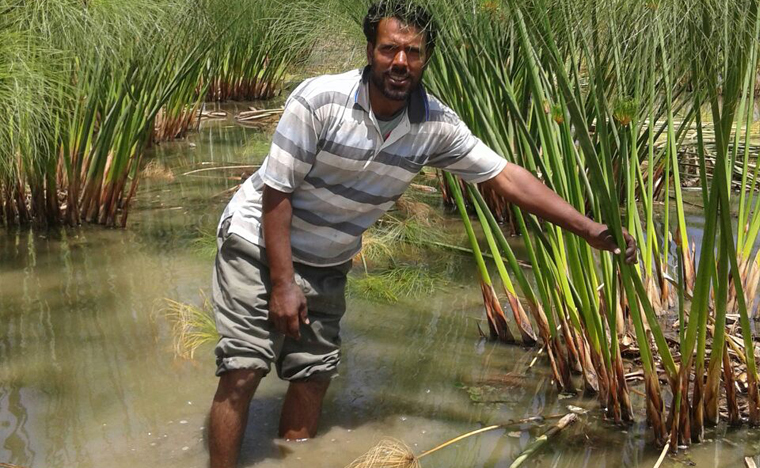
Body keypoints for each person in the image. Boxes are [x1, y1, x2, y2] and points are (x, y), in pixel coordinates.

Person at [207, 2, 637, 467]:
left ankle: (297, 458)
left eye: (413, 52)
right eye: (389, 48)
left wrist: (588, 228)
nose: (400, 62)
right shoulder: (318, 101)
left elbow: (506, 177)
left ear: (426, 57)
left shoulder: (434, 125)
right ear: (370, 50)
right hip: (257, 241)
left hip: (329, 258)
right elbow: (278, 193)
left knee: (313, 374)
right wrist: (284, 283)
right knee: (243, 369)